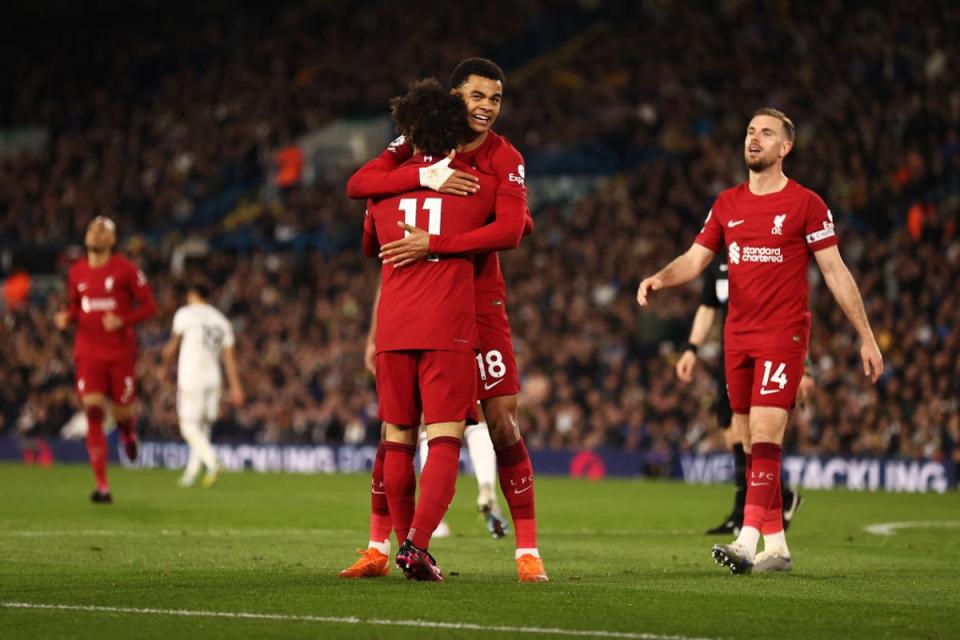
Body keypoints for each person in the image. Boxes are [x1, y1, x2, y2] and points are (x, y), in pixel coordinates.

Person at [638, 108, 883, 574]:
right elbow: (694, 260)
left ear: (785, 147)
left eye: (766, 133)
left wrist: (865, 336)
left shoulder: (807, 204)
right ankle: (777, 546)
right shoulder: (727, 203)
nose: (754, 138)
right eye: (750, 130)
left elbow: (835, 271)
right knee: (750, 443)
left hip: (782, 335)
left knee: (768, 435)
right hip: (737, 337)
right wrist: (660, 279)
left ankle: (746, 543)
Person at [343, 58, 547, 582]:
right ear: (454, 95)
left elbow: (511, 227)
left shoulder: (506, 157)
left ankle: (527, 551)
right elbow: (364, 186)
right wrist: (423, 176)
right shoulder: (415, 145)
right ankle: (382, 546)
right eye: (476, 96)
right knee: (407, 428)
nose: (485, 107)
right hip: (433, 304)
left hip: (480, 305)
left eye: (495, 99)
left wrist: (436, 241)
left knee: (500, 422)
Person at [360, 77, 506, 581]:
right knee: (444, 439)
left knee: (397, 438)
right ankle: (418, 546)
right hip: (448, 326)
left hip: (394, 326)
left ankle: (403, 543)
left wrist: (408, 182)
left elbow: (367, 241)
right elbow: (515, 227)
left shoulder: (382, 195)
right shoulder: (478, 185)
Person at [676, 253, 812, 535]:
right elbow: (708, 307)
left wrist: (805, 367)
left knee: (750, 432)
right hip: (732, 353)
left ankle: (744, 514)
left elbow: (792, 309)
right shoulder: (716, 261)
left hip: (764, 351)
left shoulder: (763, 252)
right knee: (729, 431)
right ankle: (774, 499)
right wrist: (691, 347)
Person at [54, 216, 157, 503]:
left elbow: (150, 306)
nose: (95, 233)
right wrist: (67, 318)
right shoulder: (76, 272)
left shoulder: (125, 270)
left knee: (122, 415)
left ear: (112, 240)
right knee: (94, 413)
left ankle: (127, 435)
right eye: (91, 229)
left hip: (120, 354)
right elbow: (78, 307)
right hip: (88, 353)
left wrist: (124, 320)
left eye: (102, 230)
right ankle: (102, 486)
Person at [158, 279, 244, 487]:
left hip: (192, 375)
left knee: (187, 426)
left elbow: (172, 346)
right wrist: (235, 387)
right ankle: (191, 473)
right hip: (214, 378)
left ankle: (213, 462)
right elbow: (229, 359)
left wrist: (163, 365)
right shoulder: (222, 320)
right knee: (202, 427)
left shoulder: (186, 313)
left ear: (192, 295)